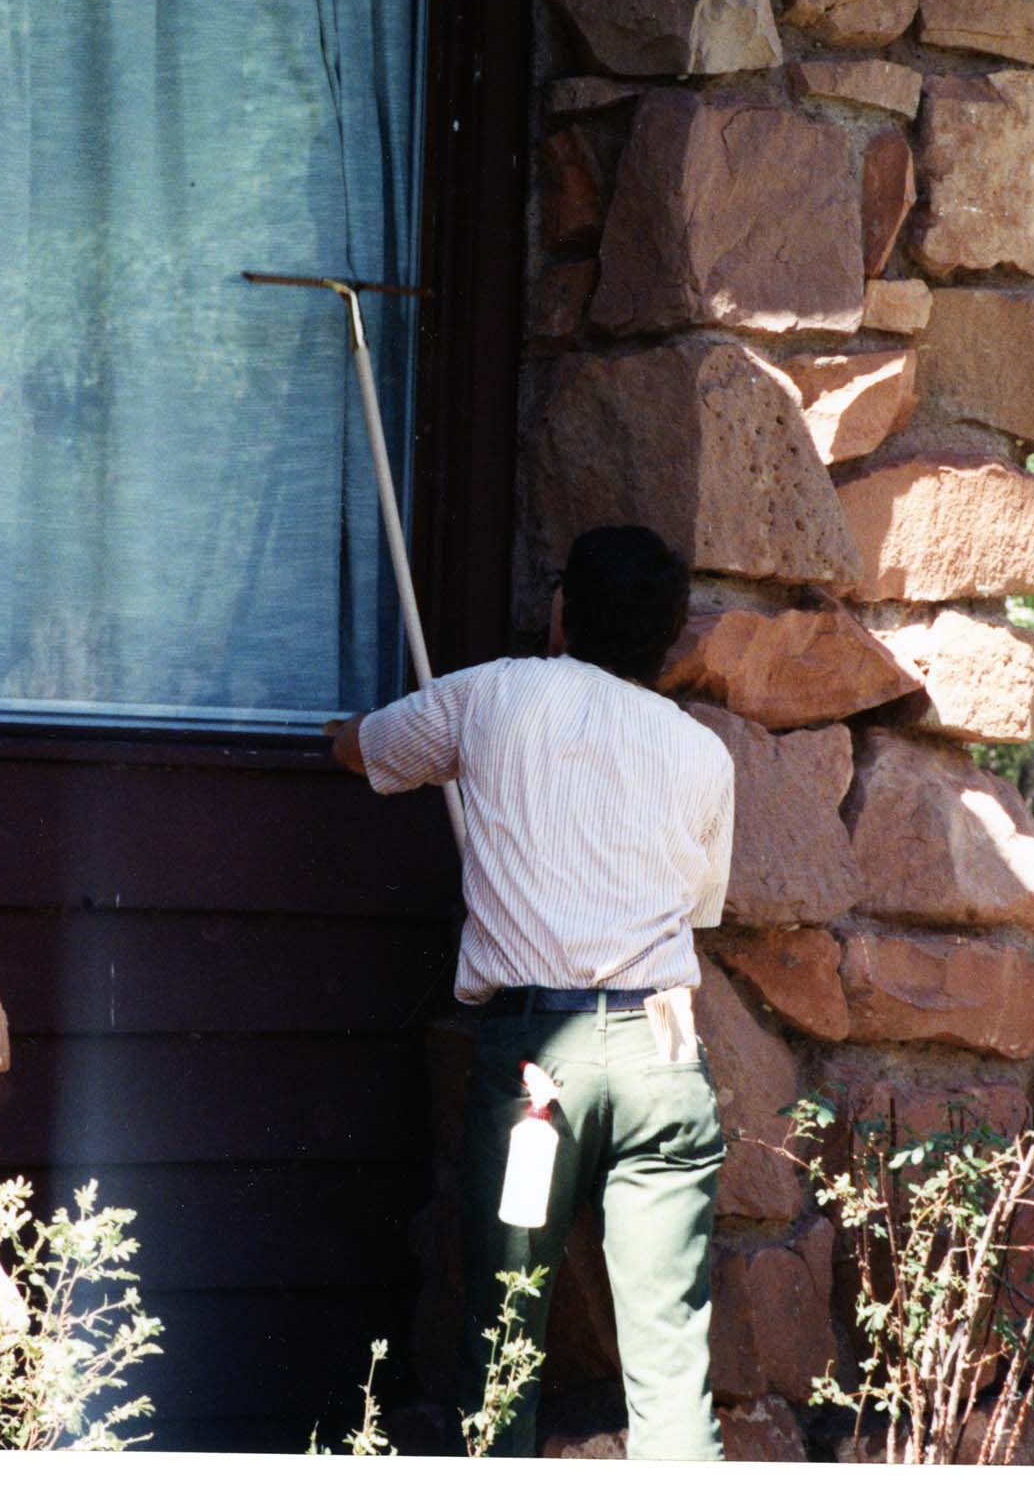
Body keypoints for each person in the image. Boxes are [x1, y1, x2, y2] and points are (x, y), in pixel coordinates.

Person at [331, 524, 734, 1460]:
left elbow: (370, 748)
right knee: (672, 1363)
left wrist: (328, 732)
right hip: (665, 1052)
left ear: (561, 611)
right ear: (668, 638)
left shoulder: (493, 695)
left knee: (504, 1336)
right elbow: (699, 909)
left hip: (536, 1071)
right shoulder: (702, 755)